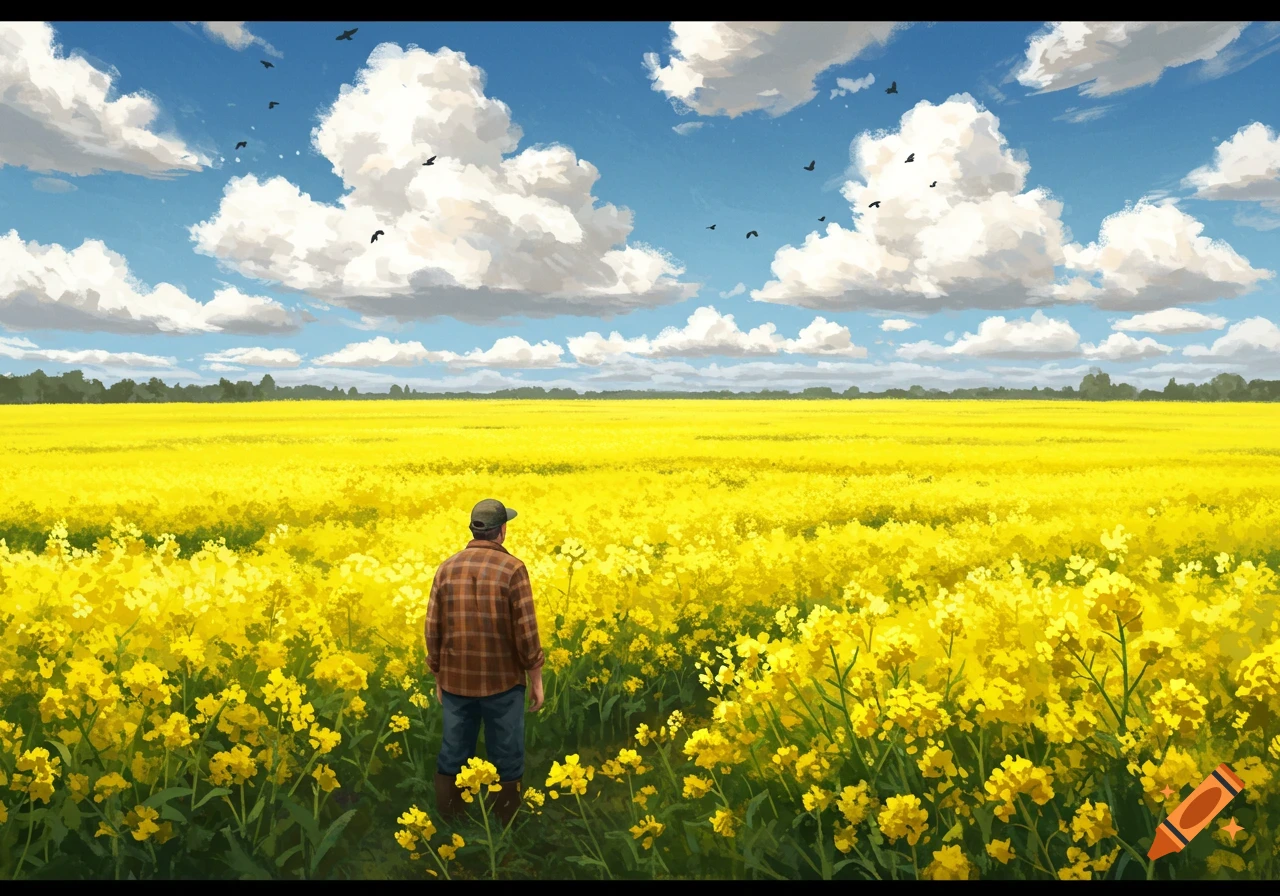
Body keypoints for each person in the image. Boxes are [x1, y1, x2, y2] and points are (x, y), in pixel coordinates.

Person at [425, 499, 545, 827]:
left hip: (455, 681)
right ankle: (506, 825)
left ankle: (450, 823)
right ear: (502, 531)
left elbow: (433, 627)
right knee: (506, 754)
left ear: (473, 530)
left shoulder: (446, 568)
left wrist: (438, 674)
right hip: (503, 682)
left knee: (453, 751)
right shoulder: (514, 569)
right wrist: (535, 678)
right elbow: (527, 631)